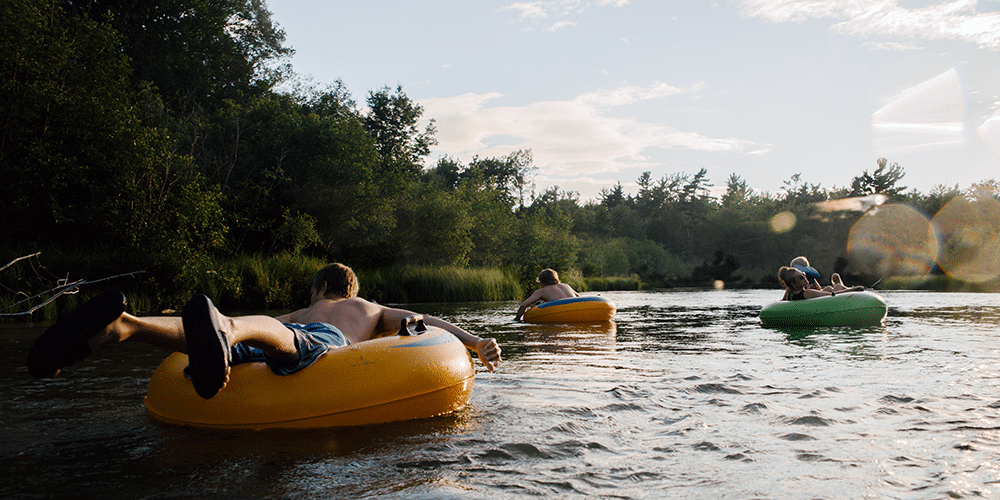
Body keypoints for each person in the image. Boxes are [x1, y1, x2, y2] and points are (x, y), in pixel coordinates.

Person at [28, 263, 502, 400]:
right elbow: (427, 325)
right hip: (320, 348)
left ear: (319, 287)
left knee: (249, 335)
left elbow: (274, 328)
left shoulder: (301, 309)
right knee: (272, 338)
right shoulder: (368, 307)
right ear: (351, 289)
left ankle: (124, 327)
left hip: (271, 336)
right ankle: (224, 329)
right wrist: (475, 341)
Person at [514, 268, 579, 321]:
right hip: (577, 310)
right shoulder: (566, 286)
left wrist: (517, 319)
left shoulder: (541, 291)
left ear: (541, 281)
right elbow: (578, 297)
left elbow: (523, 305)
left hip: (562, 314)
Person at [778, 266, 863, 301]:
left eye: (803, 274)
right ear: (794, 284)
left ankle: (838, 284)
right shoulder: (807, 293)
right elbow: (831, 294)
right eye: (800, 277)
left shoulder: (789, 292)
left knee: (829, 288)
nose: (804, 277)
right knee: (832, 289)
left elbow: (782, 301)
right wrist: (853, 289)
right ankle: (839, 285)